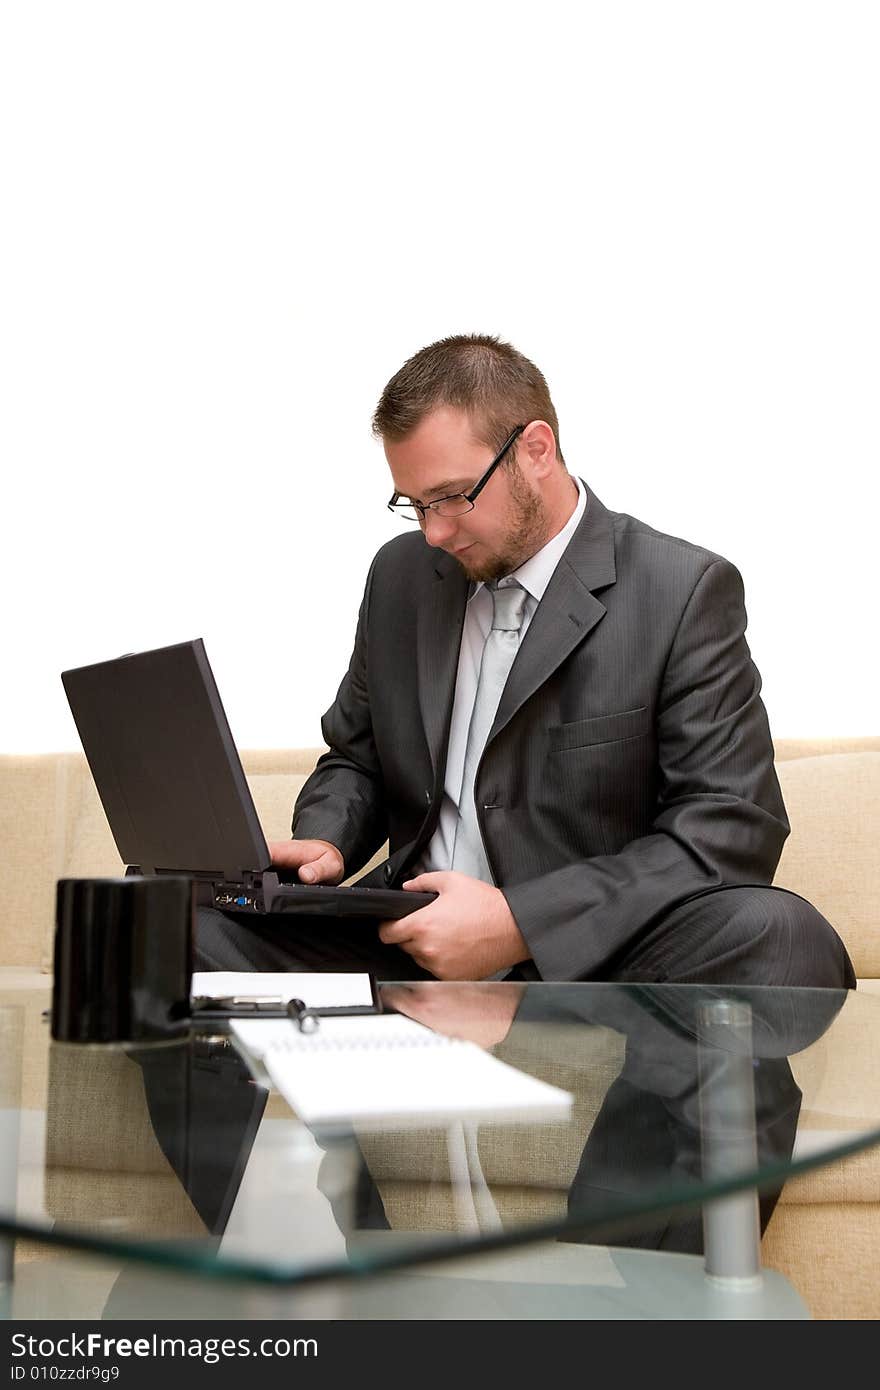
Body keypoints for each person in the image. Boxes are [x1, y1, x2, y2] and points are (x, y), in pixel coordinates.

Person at [196, 334, 854, 990]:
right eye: (414, 504)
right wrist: (328, 840)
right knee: (160, 921)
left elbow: (728, 828)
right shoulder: (400, 577)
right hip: (400, 942)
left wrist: (518, 922)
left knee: (779, 938)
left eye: (452, 496)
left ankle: (571, 1059)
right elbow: (357, 756)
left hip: (582, 962)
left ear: (535, 449)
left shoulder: (681, 590)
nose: (433, 532)